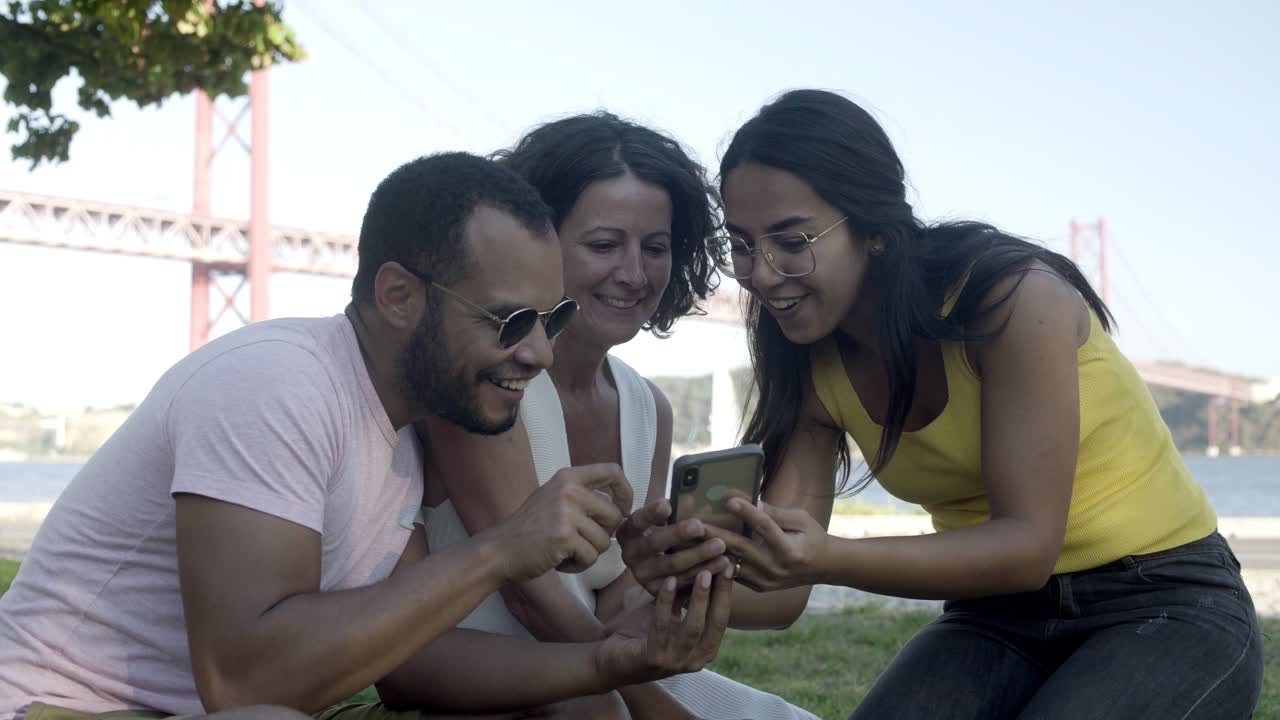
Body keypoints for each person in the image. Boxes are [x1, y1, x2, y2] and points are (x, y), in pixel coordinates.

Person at [0, 152, 733, 720]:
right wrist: (502, 549)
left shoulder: (408, 422)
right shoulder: (276, 384)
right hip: (67, 707)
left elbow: (408, 660)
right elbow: (244, 683)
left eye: (551, 320)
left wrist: (613, 663)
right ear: (398, 296)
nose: (540, 352)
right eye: (511, 322)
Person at [620, 89, 1264, 719]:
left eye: (793, 241)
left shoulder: (1013, 299)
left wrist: (830, 555)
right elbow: (783, 590)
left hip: (1165, 600)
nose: (761, 274)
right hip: (995, 618)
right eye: (742, 244)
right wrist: (679, 575)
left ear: (874, 230)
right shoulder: (808, 355)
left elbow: (1027, 548)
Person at [419, 113, 819, 720]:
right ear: (536, 243)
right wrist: (652, 704)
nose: (634, 274)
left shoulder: (647, 407)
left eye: (655, 248)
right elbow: (533, 602)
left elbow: (609, 598)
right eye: (604, 245)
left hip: (601, 669)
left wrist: (669, 586)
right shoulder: (492, 382)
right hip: (501, 687)